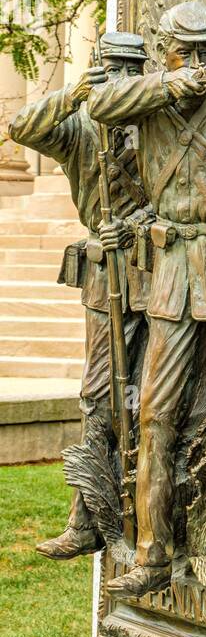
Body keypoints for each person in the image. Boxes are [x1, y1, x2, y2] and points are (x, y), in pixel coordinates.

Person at [88, 1, 206, 598]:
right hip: (171, 274)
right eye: (187, 53)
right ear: (166, 53)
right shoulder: (149, 101)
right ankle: (153, 551)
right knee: (154, 415)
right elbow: (100, 103)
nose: (199, 63)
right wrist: (167, 83)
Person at [8, 33, 152, 559]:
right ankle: (87, 513)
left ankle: (149, 516)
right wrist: (73, 95)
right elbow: (21, 127)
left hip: (158, 273)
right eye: (108, 69)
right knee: (100, 395)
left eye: (127, 70)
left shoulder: (157, 123)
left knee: (149, 398)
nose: (118, 79)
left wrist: (139, 225)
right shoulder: (80, 126)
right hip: (103, 276)